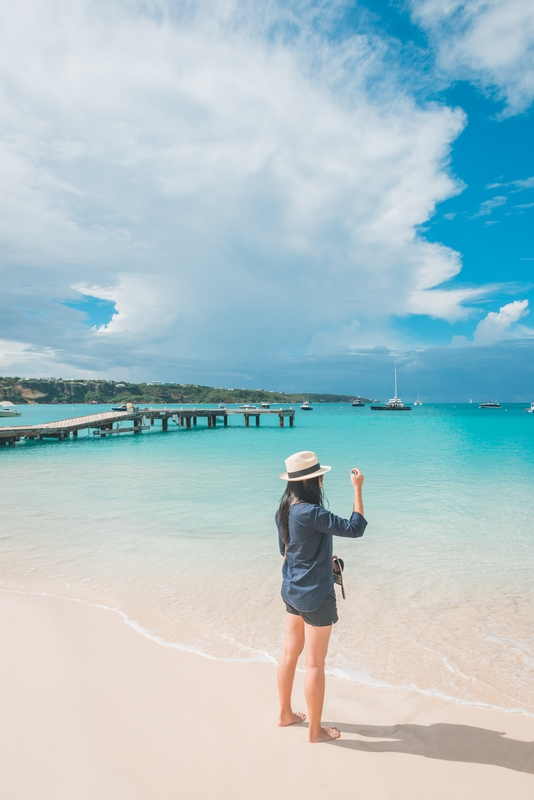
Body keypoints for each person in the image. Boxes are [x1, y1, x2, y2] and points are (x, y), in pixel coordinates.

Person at [275, 450, 367, 742]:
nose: (322, 481)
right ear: (310, 482)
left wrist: (322, 558)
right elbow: (356, 528)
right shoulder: (312, 512)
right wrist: (358, 489)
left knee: (290, 653)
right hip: (315, 597)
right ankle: (315, 731)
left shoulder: (285, 509)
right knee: (314, 664)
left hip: (291, 590)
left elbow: (287, 550)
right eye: (320, 477)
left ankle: (285, 714)